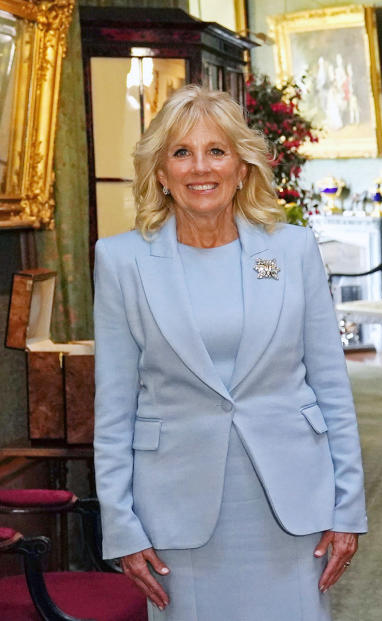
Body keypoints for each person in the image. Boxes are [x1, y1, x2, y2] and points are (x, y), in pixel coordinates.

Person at [93, 85, 367, 620]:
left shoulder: (293, 250)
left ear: (242, 167)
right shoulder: (120, 261)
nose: (201, 167)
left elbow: (332, 386)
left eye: (216, 151)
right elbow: (114, 409)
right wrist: (122, 526)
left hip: (292, 505)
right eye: (182, 152)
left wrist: (348, 507)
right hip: (176, 510)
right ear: (160, 173)